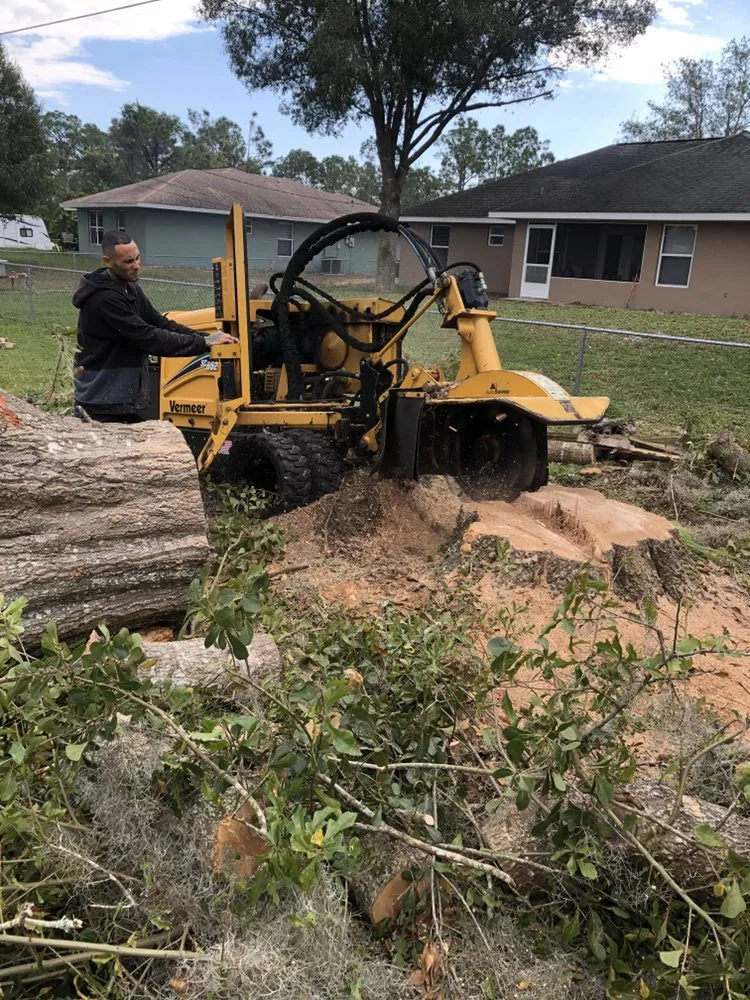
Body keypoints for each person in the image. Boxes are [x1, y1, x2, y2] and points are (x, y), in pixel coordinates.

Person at [73, 230, 237, 422]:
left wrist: (205, 337)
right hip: (101, 401)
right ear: (108, 261)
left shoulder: (129, 288)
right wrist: (204, 342)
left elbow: (160, 322)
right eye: (128, 262)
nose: (136, 266)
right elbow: (148, 337)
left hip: (118, 398)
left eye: (137, 258)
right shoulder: (104, 299)